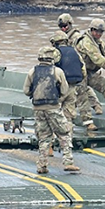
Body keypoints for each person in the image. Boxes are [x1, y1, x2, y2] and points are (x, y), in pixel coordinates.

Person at [23, 46, 80, 174]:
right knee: (64, 134)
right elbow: (65, 90)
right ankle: (68, 162)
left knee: (44, 137)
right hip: (53, 108)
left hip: (38, 109)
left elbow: (26, 91)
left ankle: (42, 165)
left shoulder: (32, 71)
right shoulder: (57, 71)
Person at [50, 30, 95, 132]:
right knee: (69, 115)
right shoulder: (74, 51)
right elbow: (83, 69)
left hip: (60, 88)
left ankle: (55, 135)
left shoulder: (55, 53)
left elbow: (50, 70)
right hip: (73, 86)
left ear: (54, 42)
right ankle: (69, 136)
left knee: (53, 112)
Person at [58, 13, 103, 116]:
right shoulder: (64, 37)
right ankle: (96, 106)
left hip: (79, 66)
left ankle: (95, 106)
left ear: (70, 24)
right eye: (61, 27)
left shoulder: (76, 37)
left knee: (82, 88)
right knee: (83, 88)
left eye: (65, 26)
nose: (63, 28)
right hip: (73, 66)